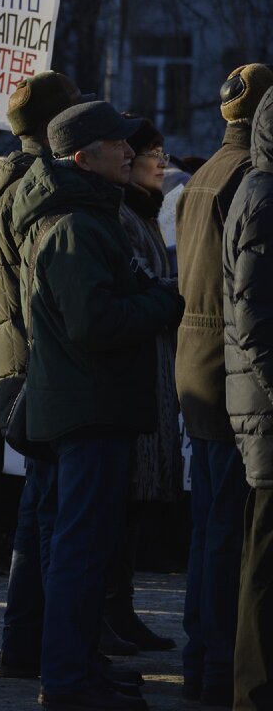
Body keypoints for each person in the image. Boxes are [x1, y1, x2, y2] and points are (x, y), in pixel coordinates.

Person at [13, 101, 184, 710]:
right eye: (119, 144)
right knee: (80, 552)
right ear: (84, 156)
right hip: (86, 412)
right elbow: (96, 322)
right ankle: (66, 679)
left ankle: (81, 664)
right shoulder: (75, 227)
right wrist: (168, 304)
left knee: (86, 549)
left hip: (92, 407)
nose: (131, 152)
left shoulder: (88, 217)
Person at [0, 71, 90, 680]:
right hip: (40, 365)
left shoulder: (10, 183)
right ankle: (52, 651)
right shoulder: (42, 187)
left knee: (37, 508)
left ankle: (23, 647)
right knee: (52, 511)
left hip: (16, 362)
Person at [178, 63, 273, 707]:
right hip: (232, 366)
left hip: (204, 359)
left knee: (210, 527)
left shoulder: (209, 171)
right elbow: (250, 299)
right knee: (228, 535)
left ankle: (203, 663)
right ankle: (216, 669)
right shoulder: (249, 179)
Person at [103, 116, 180, 654]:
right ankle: (111, 612)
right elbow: (137, 292)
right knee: (115, 509)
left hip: (148, 374)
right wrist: (172, 296)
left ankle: (120, 609)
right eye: (152, 152)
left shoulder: (144, 213)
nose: (161, 162)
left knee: (129, 512)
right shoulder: (122, 217)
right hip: (128, 378)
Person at [222, 83, 273, 711]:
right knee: (263, 561)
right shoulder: (264, 195)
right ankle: (254, 695)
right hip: (266, 410)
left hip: (259, 402)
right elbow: (254, 319)